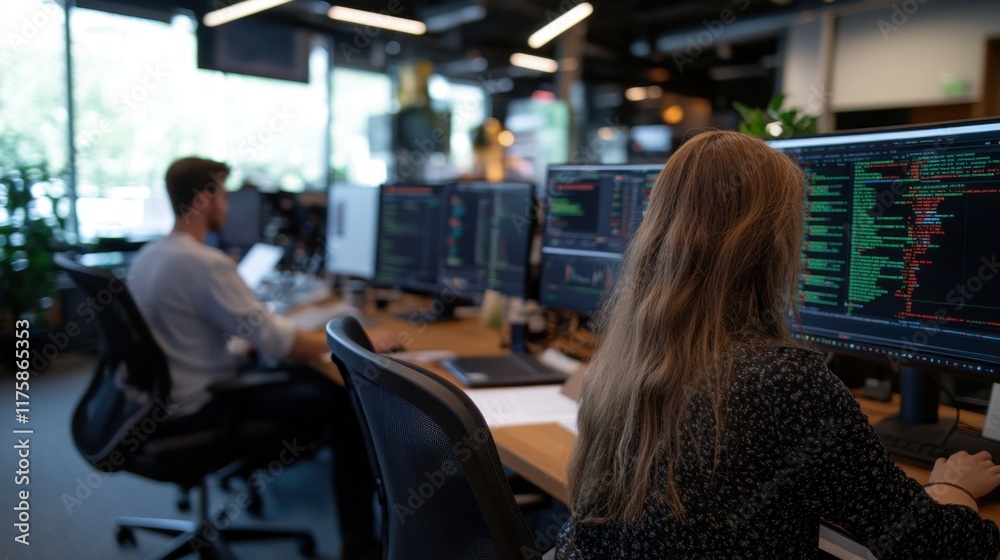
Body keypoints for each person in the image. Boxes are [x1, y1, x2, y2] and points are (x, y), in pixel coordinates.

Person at [555, 131, 1000, 559]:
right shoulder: (783, 381)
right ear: (773, 246)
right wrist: (953, 489)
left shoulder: (624, 358)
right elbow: (926, 544)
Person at [129, 157, 386, 560]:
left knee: (298, 376)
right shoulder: (204, 262)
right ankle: (360, 546)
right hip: (203, 406)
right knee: (345, 401)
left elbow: (190, 334)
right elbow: (279, 342)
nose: (228, 207)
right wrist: (360, 341)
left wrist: (249, 341)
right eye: (224, 196)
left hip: (158, 404)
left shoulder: (151, 255)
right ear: (204, 199)